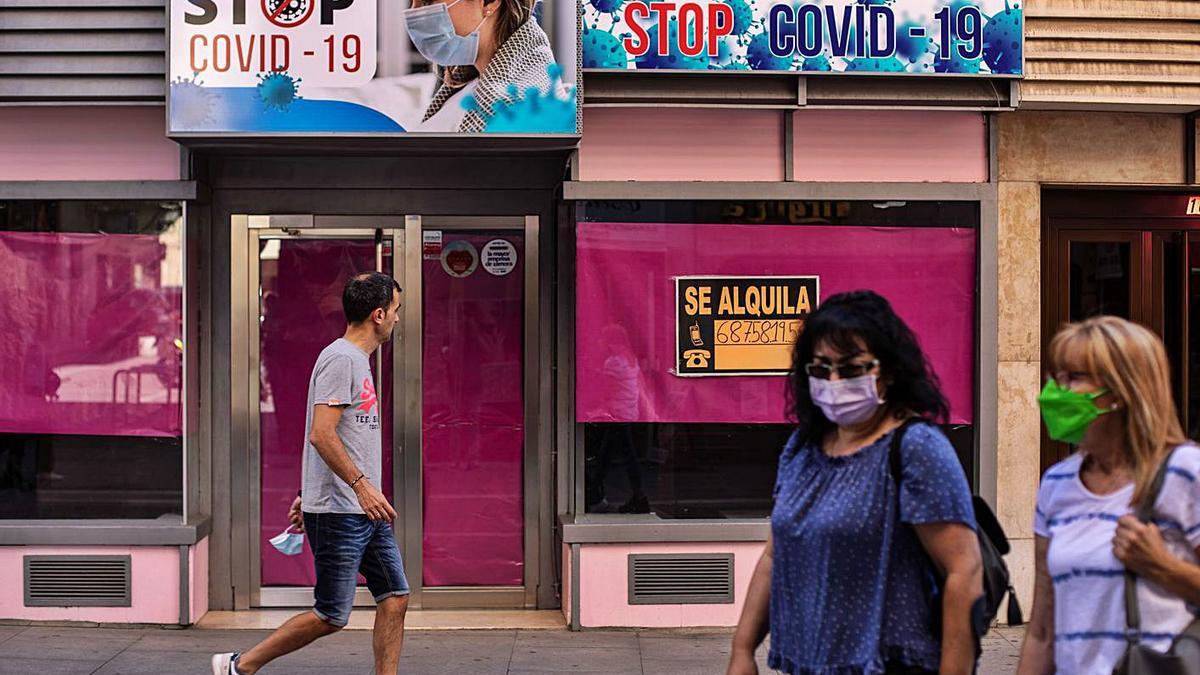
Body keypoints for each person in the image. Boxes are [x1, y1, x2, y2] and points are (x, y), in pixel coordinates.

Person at [727, 290, 983, 675]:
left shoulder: (915, 448)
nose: (833, 381)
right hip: (809, 663)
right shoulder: (803, 448)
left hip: (889, 664)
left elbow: (964, 573)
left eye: (850, 369)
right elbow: (774, 557)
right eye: (820, 369)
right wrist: (742, 650)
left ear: (889, 372)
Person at [213, 272, 408, 675]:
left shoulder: (356, 360)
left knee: (394, 597)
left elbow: (338, 437)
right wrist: (359, 487)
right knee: (331, 614)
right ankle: (241, 666)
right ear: (377, 315)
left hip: (360, 509)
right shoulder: (342, 360)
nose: (397, 319)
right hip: (343, 512)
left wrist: (309, 491)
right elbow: (321, 434)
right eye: (395, 311)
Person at [1017, 316, 1200, 674]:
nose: (1056, 391)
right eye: (1056, 376)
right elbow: (1041, 631)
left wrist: (1162, 566)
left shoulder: (1184, 471)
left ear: (1120, 392)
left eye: (1075, 377)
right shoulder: (1057, 483)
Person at [404, 0, 558, 131]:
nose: (415, 13)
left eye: (427, 0)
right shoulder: (477, 80)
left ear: (488, 2)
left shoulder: (504, 107)